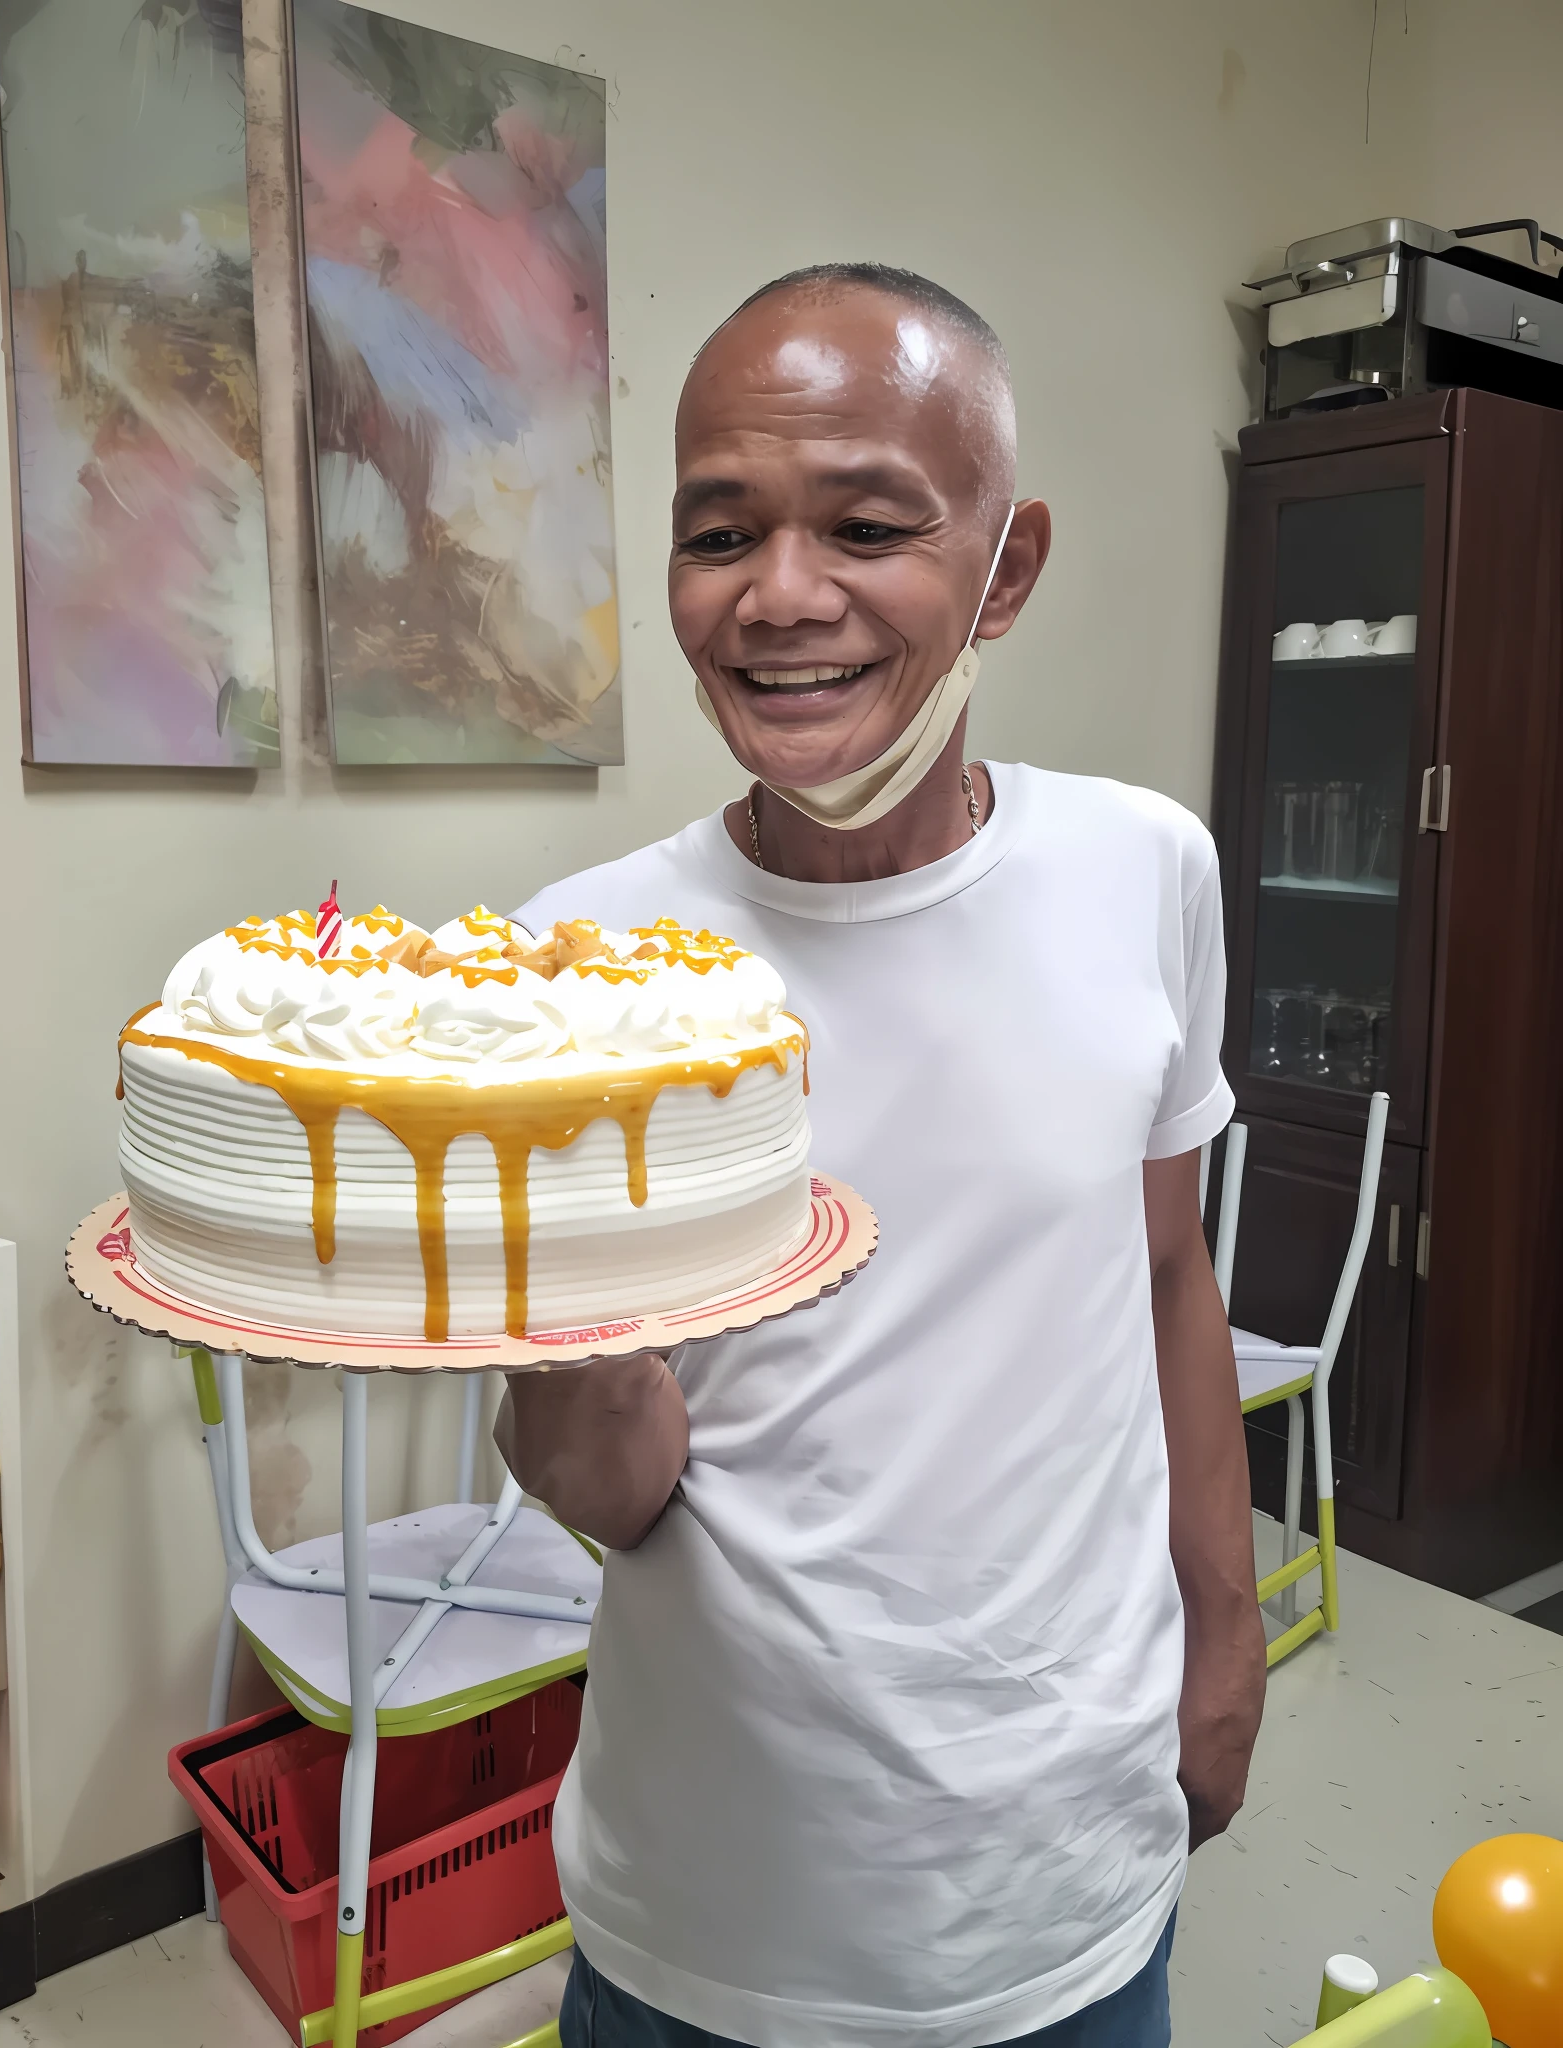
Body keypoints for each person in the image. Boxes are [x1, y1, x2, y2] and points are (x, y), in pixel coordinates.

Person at [503, 264, 1265, 2048]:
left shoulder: (1144, 871)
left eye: (866, 524)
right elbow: (605, 1490)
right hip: (704, 1903)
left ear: (1009, 563)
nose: (781, 598)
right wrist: (560, 1288)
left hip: (1062, 1882)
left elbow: (1166, 1277)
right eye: (720, 534)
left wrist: (1221, 1642)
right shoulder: (581, 963)